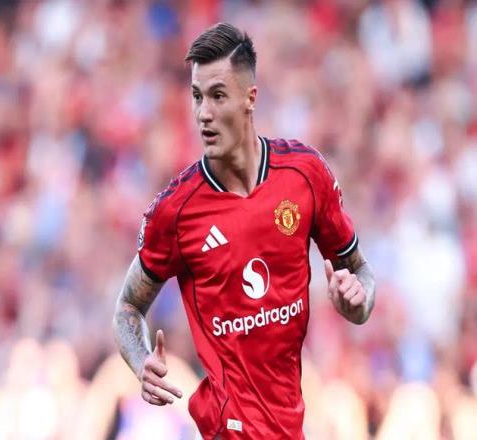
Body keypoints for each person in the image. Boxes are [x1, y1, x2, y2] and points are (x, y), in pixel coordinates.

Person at [113, 22, 376, 439]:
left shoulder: (304, 175)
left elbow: (360, 274)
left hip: (289, 427)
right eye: (197, 96)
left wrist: (356, 302)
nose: (203, 113)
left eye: (218, 96)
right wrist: (140, 360)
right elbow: (128, 307)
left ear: (250, 98)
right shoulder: (176, 211)